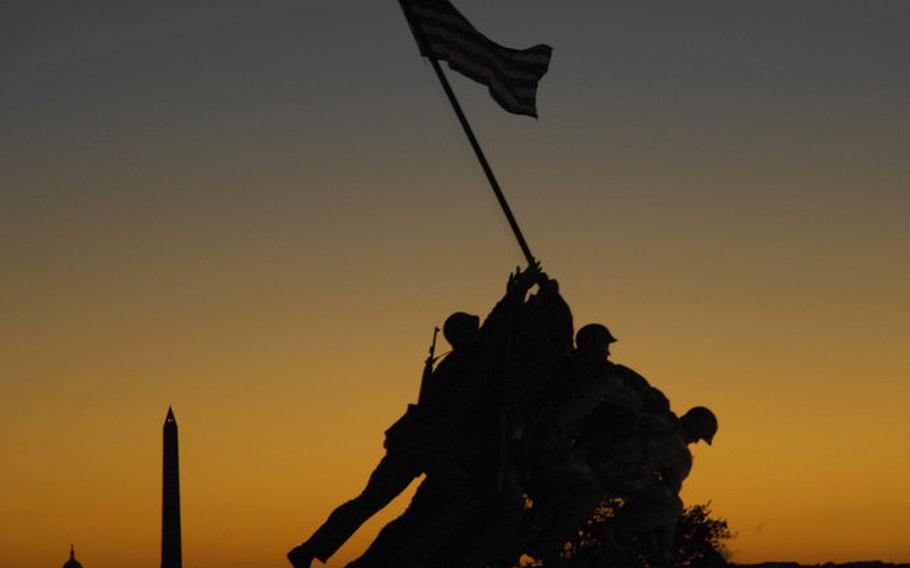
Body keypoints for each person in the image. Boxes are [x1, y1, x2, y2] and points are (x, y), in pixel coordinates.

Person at [294, 266, 539, 568]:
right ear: (465, 335)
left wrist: (515, 297)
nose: (478, 332)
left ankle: (310, 549)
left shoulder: (451, 365)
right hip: (432, 447)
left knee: (369, 501)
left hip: (413, 443)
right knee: (463, 494)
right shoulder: (468, 361)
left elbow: (494, 333)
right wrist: (514, 295)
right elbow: (494, 330)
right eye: (472, 329)